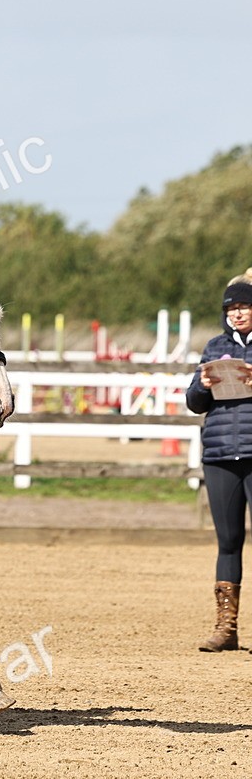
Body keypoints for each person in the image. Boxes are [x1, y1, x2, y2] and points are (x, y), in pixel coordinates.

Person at [186, 269, 252, 652]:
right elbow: (194, 403)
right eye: (231, 308)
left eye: (244, 306)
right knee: (228, 542)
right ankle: (226, 628)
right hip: (221, 455)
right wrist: (202, 385)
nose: (237, 313)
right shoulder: (214, 347)